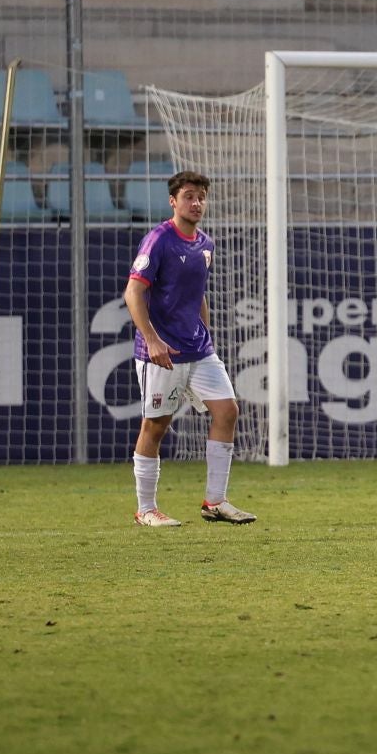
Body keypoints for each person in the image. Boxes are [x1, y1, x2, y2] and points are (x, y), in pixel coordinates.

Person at [124, 170, 256, 527]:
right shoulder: (158, 240)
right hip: (162, 352)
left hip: (199, 350)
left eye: (201, 197)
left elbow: (198, 295)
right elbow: (133, 292)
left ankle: (215, 502)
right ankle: (146, 509)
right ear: (173, 201)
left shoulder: (205, 245)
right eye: (188, 196)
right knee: (156, 426)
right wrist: (152, 339)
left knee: (227, 411)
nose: (196, 203)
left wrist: (206, 336)